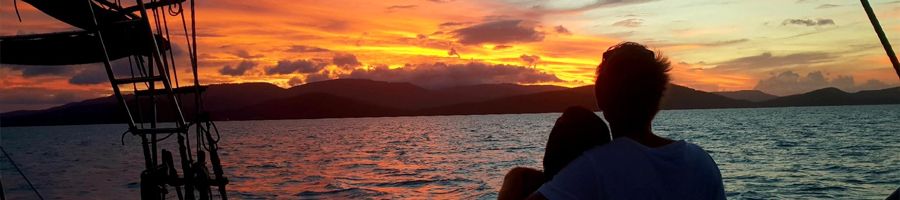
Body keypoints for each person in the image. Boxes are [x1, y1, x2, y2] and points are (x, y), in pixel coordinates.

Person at [498, 42, 726, 200]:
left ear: (601, 98)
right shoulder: (702, 163)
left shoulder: (594, 168)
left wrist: (516, 181)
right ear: (658, 99)